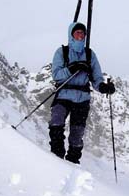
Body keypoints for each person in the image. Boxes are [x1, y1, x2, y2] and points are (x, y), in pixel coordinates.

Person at [49, 21, 115, 164]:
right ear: (71, 35)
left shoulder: (90, 55)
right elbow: (56, 74)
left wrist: (103, 87)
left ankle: (72, 162)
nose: (80, 35)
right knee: (56, 122)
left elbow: (96, 78)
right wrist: (72, 68)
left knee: (77, 133)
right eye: (77, 33)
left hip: (82, 98)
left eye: (82, 33)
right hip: (63, 95)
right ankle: (56, 157)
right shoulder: (62, 52)